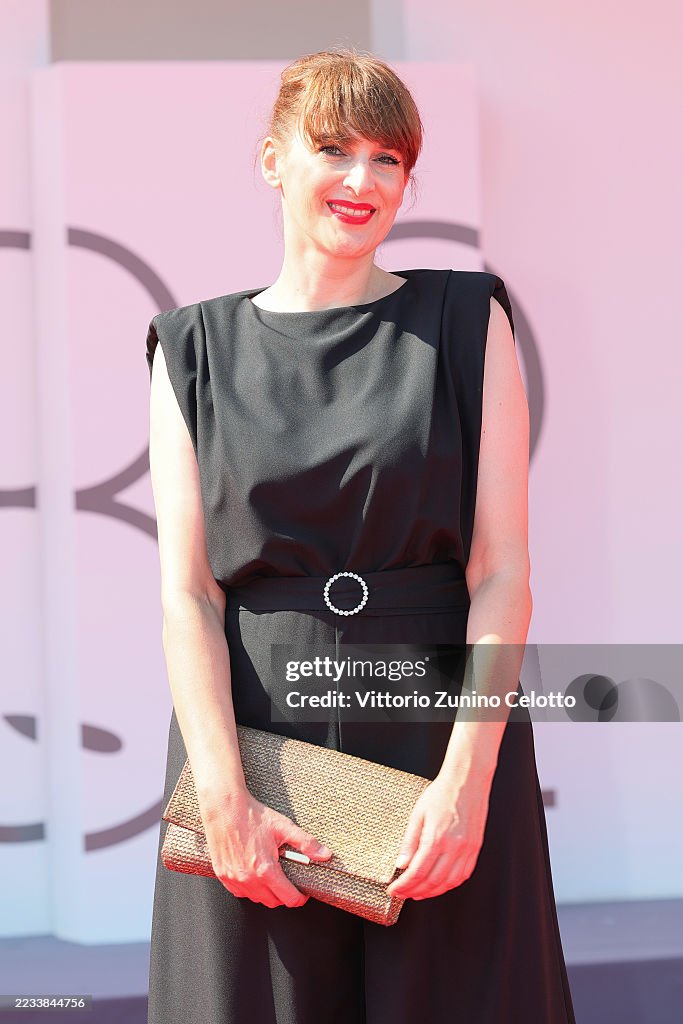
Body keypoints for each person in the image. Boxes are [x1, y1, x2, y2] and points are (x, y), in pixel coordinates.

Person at [145, 47, 576, 1024]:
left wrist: (466, 786)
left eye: (388, 159)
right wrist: (220, 795)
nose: (360, 180)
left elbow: (502, 571)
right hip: (256, 756)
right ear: (271, 160)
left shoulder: (466, 319)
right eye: (332, 148)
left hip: (440, 747)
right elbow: (186, 593)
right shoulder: (191, 349)